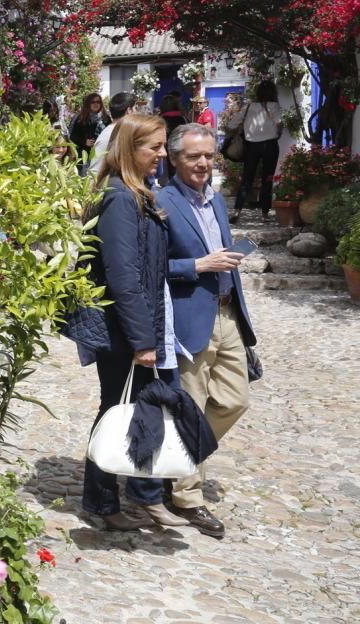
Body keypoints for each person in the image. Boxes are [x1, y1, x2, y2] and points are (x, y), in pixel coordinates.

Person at [81, 114, 187, 530]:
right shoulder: (120, 198)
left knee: (132, 409)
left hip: (138, 326)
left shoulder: (137, 193)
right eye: (154, 147)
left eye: (162, 146)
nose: (162, 155)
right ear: (129, 150)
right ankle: (102, 502)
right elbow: (124, 276)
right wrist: (144, 341)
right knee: (116, 411)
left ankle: (133, 497)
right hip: (122, 329)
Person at [157, 124, 257, 538]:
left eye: (209, 156)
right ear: (175, 159)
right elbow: (153, 266)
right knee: (191, 407)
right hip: (188, 319)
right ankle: (186, 496)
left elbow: (222, 252)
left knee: (235, 400)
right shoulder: (162, 202)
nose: (203, 163)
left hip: (226, 311)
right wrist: (198, 265)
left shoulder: (216, 201)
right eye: (194, 156)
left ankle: (175, 460)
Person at [225, 79, 283, 223]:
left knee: (247, 179)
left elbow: (232, 124)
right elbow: (279, 124)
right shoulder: (274, 106)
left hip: (251, 146)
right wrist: (277, 134)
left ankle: (237, 212)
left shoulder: (248, 106)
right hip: (270, 145)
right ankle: (265, 214)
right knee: (267, 179)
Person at [87, 92, 135, 178]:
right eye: (135, 109)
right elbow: (94, 171)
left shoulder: (122, 131)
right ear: (129, 111)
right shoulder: (109, 135)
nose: (137, 112)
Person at [67, 93, 110, 170]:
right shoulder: (80, 118)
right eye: (92, 102)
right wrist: (84, 142)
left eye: (98, 102)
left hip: (102, 154)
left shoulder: (106, 118)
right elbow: (72, 136)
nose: (96, 104)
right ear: (88, 104)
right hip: (84, 155)